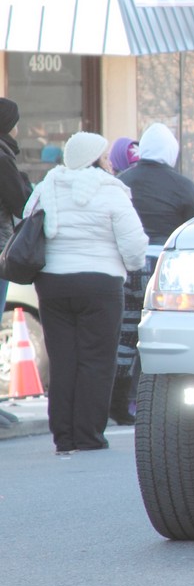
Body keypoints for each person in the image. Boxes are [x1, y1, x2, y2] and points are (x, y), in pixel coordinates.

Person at [25, 131, 148, 455]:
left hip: (52, 284)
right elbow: (134, 246)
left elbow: (27, 220)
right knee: (96, 361)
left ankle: (63, 436)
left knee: (63, 359)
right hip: (100, 285)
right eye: (105, 157)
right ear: (95, 159)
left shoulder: (47, 186)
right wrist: (131, 266)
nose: (109, 162)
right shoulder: (111, 190)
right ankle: (89, 435)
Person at [111, 123, 194, 424]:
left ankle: (117, 403)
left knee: (125, 335)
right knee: (163, 334)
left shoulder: (123, 181)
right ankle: (157, 401)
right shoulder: (182, 185)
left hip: (127, 266)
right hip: (165, 269)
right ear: (171, 152)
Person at [0, 98, 34, 315]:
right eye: (15, 124)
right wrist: (22, 179)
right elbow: (22, 204)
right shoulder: (3, 159)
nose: (17, 130)